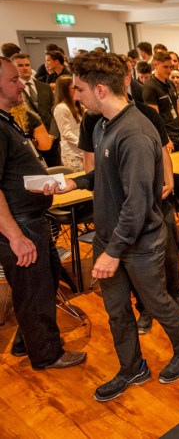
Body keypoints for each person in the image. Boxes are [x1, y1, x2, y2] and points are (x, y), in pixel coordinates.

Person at [49, 52, 179, 401]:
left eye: (80, 89)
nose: (76, 95)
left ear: (100, 89)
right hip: (110, 238)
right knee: (117, 311)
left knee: (157, 303)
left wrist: (112, 252)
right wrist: (79, 182)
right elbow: (107, 174)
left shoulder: (133, 133)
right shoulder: (103, 124)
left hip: (138, 242)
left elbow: (137, 203)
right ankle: (132, 368)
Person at [0, 56, 87, 370]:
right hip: (21, 227)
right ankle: (47, 354)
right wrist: (15, 237)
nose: (21, 84)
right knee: (34, 292)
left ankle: (28, 341)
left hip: (33, 221)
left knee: (45, 285)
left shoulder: (8, 119)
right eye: (13, 80)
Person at [143, 51, 179, 151]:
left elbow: (178, 108)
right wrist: (166, 139)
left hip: (178, 133)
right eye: (165, 67)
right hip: (166, 137)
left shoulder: (170, 83)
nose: (169, 70)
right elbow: (155, 117)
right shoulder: (150, 87)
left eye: (170, 67)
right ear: (155, 65)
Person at [53, 75, 85, 171]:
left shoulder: (78, 106)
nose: (77, 90)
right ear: (65, 90)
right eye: (74, 87)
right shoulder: (61, 108)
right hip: (72, 153)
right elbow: (66, 133)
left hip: (81, 150)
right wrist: (83, 143)